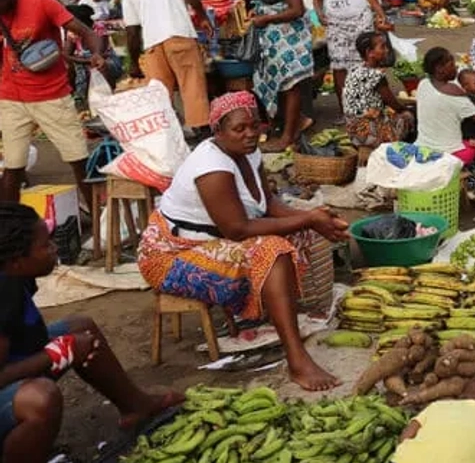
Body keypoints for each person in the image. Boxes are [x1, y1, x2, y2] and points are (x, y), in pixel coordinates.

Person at [138, 92, 346, 390]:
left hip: (213, 240)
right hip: (171, 255)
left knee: (299, 230)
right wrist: (308, 218)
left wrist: (317, 218)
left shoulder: (250, 152)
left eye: (255, 126)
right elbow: (237, 229)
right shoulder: (211, 166)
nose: (250, 134)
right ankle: (296, 359)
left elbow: (269, 206)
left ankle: (277, 313)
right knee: (272, 250)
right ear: (218, 132)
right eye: (239, 129)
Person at [0, 202, 184, 463]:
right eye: (45, 245)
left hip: (18, 360)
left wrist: (64, 344)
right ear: (16, 262)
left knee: (81, 327)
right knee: (40, 399)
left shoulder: (15, 276)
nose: (54, 249)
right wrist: (58, 352)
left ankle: (135, 406)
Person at [0, 0, 106, 205]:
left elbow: (86, 32)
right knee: (13, 168)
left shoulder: (41, 2)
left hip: (52, 95)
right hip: (11, 98)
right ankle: (9, 230)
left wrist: (97, 54)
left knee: (78, 160)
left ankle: (101, 221)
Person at [121, 0, 214, 134]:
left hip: (153, 44)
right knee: (191, 84)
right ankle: (200, 130)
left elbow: (131, 32)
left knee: (161, 95)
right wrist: (202, 16)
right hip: (179, 35)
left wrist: (134, 63)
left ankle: (168, 135)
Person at [249, 0, 314, 152]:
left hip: (289, 41)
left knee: (290, 85)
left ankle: (287, 138)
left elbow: (297, 9)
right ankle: (300, 120)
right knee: (280, 86)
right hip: (275, 41)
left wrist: (267, 19)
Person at [313, 0, 387, 114]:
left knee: (366, 64)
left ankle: (371, 106)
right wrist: (319, 14)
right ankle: (346, 110)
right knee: (339, 67)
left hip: (360, 21)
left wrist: (380, 12)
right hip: (336, 25)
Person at [416, 47, 475, 190]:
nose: (456, 67)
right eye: (451, 64)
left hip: (421, 148)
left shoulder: (423, 84)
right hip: (450, 153)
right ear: (440, 68)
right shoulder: (454, 92)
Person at [342, 31, 415, 151]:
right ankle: (398, 150)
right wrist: (407, 110)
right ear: (370, 53)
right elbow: (394, 104)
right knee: (409, 116)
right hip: (369, 133)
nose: (386, 50)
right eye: (382, 47)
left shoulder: (355, 70)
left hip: (353, 131)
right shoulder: (377, 76)